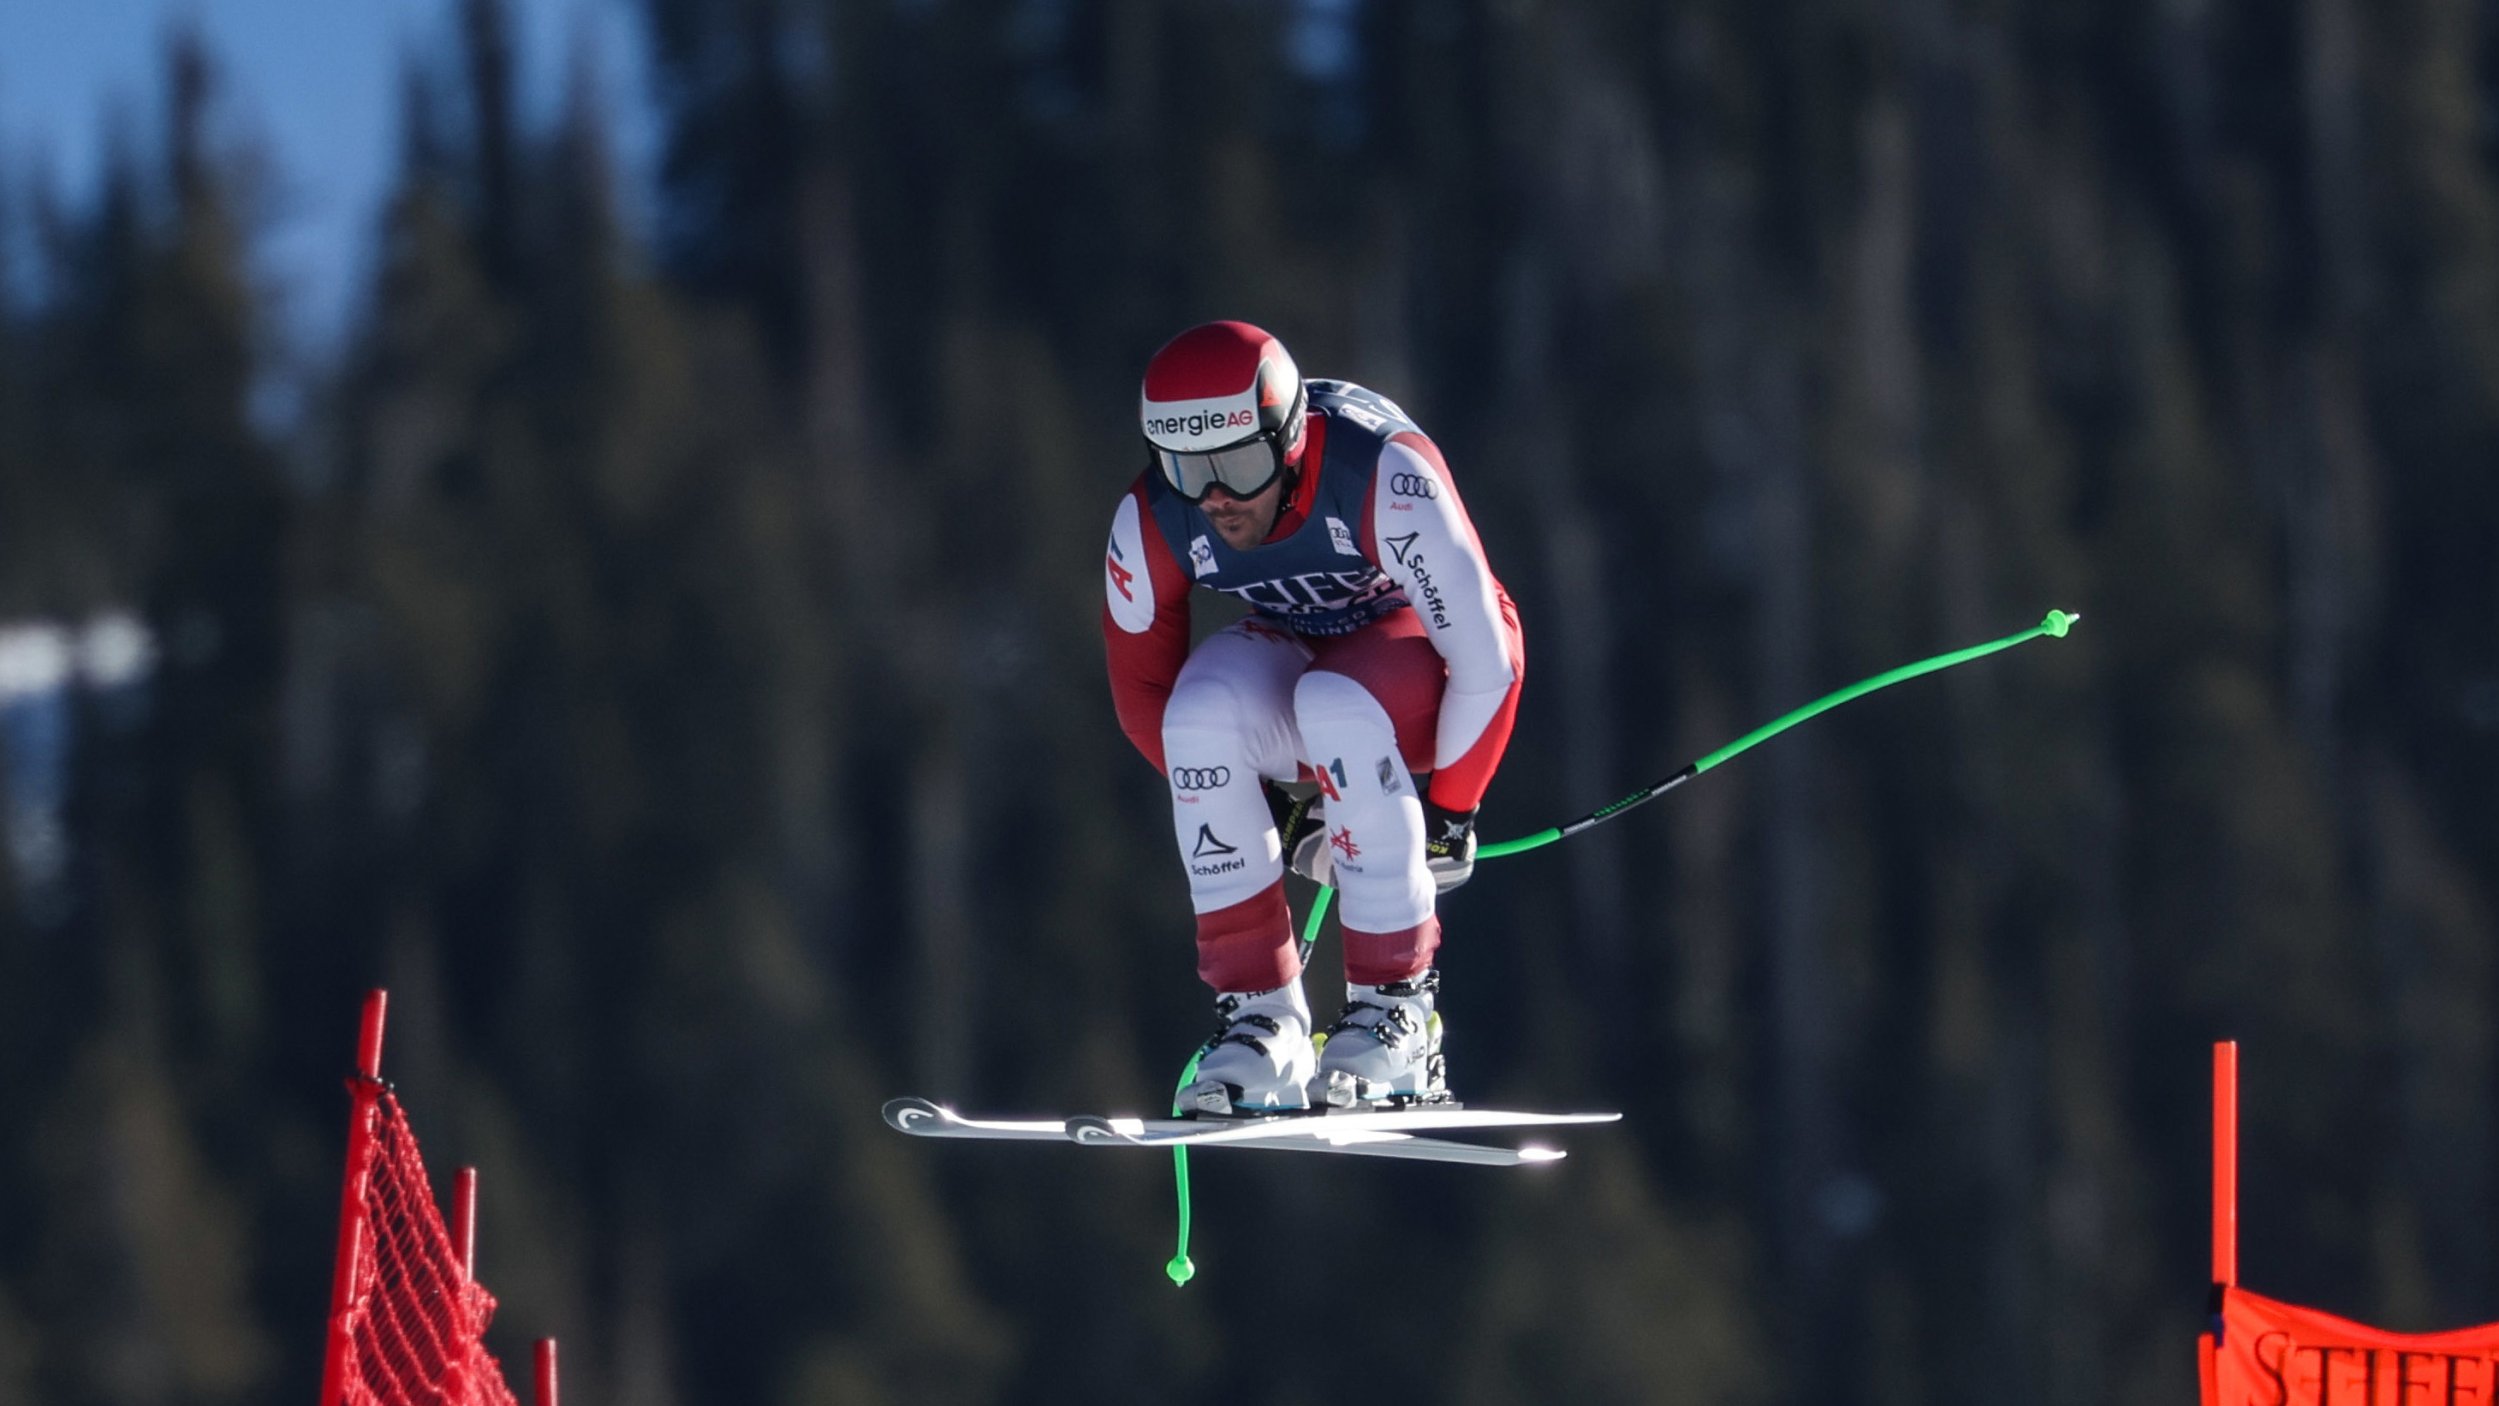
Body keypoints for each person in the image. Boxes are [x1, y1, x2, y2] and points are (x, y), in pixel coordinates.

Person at [1102, 320, 1525, 1114]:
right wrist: (1275, 813)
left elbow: (1486, 657)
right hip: (1304, 651)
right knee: (1196, 719)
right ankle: (1261, 1026)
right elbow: (1141, 701)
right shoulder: (1157, 515)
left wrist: (1450, 811)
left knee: (1335, 701)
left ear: (1289, 437)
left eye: (1240, 463)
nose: (1216, 495)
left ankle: (1396, 1015)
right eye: (1186, 468)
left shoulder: (1380, 475)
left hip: (1423, 663)